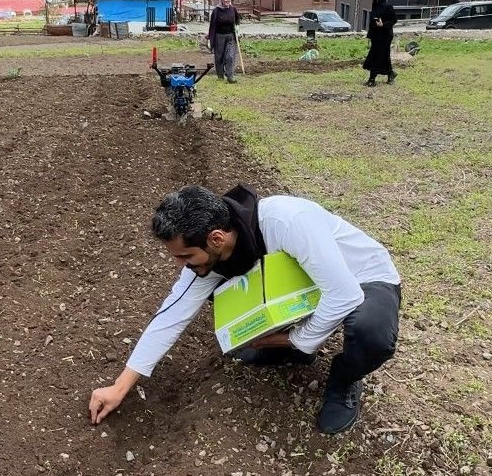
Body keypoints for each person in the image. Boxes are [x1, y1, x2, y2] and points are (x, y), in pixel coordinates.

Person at [89, 184, 401, 435]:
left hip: (364, 280)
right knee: (239, 309)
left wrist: (295, 338)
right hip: (309, 288)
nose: (182, 265)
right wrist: (119, 386)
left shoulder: (286, 221)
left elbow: (344, 295)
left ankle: (344, 378)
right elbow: (172, 315)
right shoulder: (211, 253)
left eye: (185, 256)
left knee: (370, 333)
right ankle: (294, 353)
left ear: (215, 238)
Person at [362, 0, 397, 86]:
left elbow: (393, 20)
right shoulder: (375, 6)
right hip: (376, 36)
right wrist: (370, 35)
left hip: (385, 36)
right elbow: (372, 22)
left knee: (377, 56)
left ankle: (372, 79)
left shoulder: (388, 7)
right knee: (383, 57)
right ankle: (390, 73)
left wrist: (383, 25)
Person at [206, 0, 240, 83]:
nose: (227, 0)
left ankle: (230, 77)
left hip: (230, 36)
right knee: (219, 57)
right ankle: (220, 76)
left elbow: (237, 20)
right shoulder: (216, 11)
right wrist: (210, 37)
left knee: (230, 57)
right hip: (219, 36)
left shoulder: (233, 9)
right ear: (221, 0)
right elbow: (212, 25)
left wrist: (237, 27)